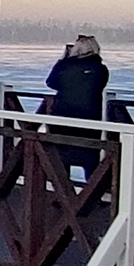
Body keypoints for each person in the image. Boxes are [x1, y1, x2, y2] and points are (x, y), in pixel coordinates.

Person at [45, 35, 109, 175]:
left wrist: (63, 59)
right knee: (90, 158)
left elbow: (51, 82)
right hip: (90, 120)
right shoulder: (101, 69)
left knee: (61, 157)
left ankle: (61, 185)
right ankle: (93, 186)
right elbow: (99, 86)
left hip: (63, 118)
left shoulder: (65, 67)